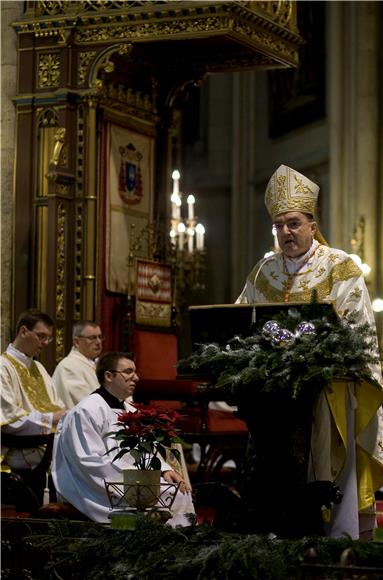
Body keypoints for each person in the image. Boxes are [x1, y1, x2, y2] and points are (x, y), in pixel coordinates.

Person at [236, 164, 383, 539]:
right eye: (279, 225)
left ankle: (338, 540)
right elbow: (239, 323)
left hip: (329, 391)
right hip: (275, 397)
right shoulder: (262, 272)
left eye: (294, 223)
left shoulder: (340, 267)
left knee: (330, 467)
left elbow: (358, 330)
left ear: (312, 225)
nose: (285, 232)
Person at [52, 351, 195, 526]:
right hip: (97, 487)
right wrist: (135, 478)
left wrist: (164, 470)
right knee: (169, 496)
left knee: (179, 492)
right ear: (109, 376)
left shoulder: (129, 409)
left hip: (132, 478)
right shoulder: (87, 411)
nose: (135, 378)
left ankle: (176, 546)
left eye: (135, 372)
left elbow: (142, 450)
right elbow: (89, 461)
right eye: (128, 372)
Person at [1, 308, 66, 501]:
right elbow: (8, 419)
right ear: (23, 331)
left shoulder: (38, 367)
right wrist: (51, 419)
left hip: (44, 445)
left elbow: (57, 406)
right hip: (15, 450)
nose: (45, 343)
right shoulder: (3, 367)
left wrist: (63, 416)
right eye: (41, 336)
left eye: (49, 338)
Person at [53, 320, 103, 409]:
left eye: (100, 337)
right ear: (77, 341)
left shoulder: (97, 363)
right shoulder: (69, 367)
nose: (98, 342)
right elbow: (87, 403)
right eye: (92, 338)